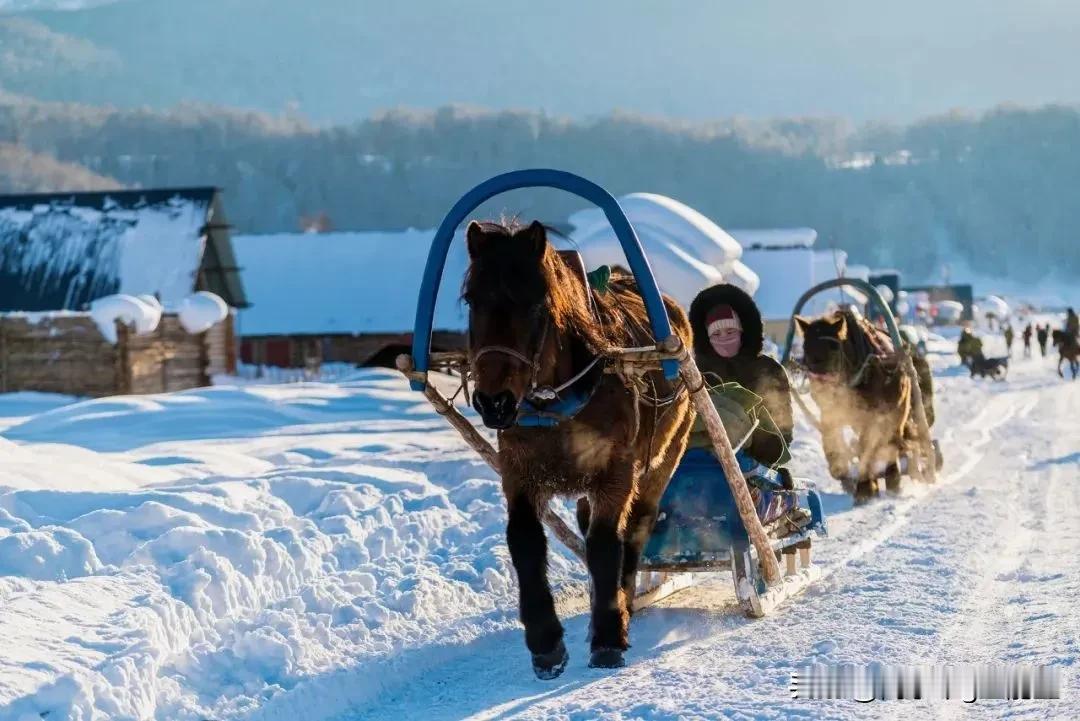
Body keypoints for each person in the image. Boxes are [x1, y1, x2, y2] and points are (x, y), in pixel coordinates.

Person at [688, 283, 793, 470]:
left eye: (730, 332)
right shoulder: (696, 374)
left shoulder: (768, 370)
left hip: (756, 463)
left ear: (744, 331)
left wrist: (759, 443)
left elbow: (783, 427)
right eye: (716, 334)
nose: (724, 338)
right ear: (706, 338)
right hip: (701, 463)